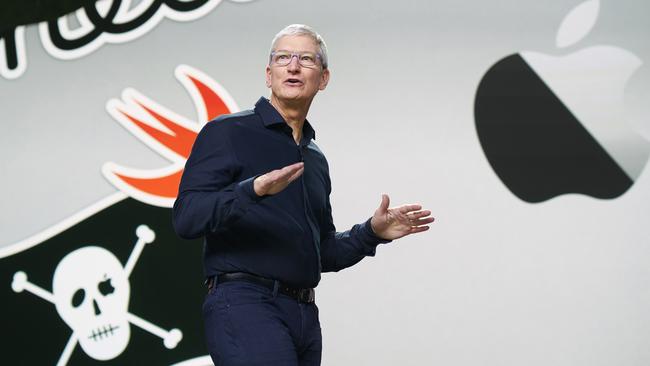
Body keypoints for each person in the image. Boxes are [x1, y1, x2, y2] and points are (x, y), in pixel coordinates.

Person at [172, 24, 434, 366]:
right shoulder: (227, 132)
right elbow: (186, 217)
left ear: (323, 79)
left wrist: (371, 232)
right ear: (269, 74)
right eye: (283, 57)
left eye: (306, 59)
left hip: (303, 315)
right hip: (244, 303)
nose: (293, 66)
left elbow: (321, 251)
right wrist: (251, 190)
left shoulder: (314, 158)